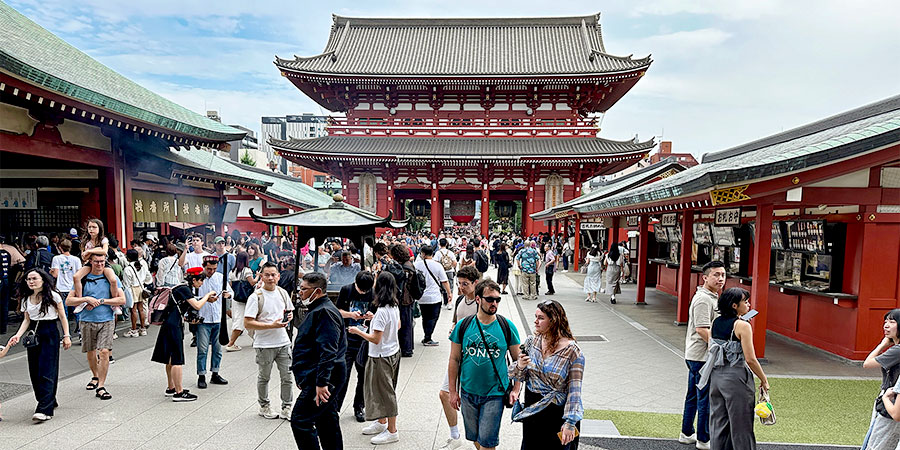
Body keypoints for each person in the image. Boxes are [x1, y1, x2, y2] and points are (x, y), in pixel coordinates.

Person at [448, 279, 522, 450]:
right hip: (468, 392)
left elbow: (519, 361)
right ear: (478, 299)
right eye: (489, 299)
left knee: (488, 443)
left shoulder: (507, 326)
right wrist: (453, 392)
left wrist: (516, 389)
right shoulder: (464, 326)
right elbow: (454, 359)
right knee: (476, 438)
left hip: (495, 393)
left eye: (497, 299)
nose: (494, 303)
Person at [696, 288, 769, 450]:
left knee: (719, 422)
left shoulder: (716, 322)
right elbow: (750, 359)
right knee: (741, 425)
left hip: (716, 376)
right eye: (746, 301)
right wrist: (764, 379)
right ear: (735, 305)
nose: (749, 304)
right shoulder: (743, 326)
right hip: (736, 377)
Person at [510, 299, 583, 449]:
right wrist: (520, 365)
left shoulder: (573, 351)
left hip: (556, 412)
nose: (535, 322)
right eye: (535, 317)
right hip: (532, 408)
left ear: (554, 321)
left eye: (541, 318)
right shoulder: (532, 341)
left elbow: (574, 391)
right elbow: (517, 375)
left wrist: (570, 422)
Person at [290, 272, 347, 450]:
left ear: (317, 291)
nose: (300, 292)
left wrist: (322, 382)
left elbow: (328, 351)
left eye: (304, 289)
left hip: (324, 377)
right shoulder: (318, 309)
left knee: (301, 420)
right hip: (317, 375)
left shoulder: (325, 312)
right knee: (326, 418)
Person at [6, 268, 72, 421]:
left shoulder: (53, 296)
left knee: (47, 369)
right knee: (34, 370)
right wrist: (17, 335)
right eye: (28, 279)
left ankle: (45, 408)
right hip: (34, 334)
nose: (31, 282)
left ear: (43, 279)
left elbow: (63, 317)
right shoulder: (25, 298)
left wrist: (67, 336)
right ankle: (48, 399)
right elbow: (27, 320)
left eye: (34, 278)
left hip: (49, 332)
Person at [348, 271, 402, 445]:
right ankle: (381, 422)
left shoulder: (381, 311)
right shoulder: (394, 306)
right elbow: (398, 326)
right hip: (393, 351)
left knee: (385, 392)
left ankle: (392, 430)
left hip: (380, 356)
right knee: (384, 389)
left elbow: (375, 339)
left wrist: (358, 331)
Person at [151, 267, 216, 402]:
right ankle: (179, 392)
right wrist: (207, 296)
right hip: (174, 326)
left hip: (169, 324)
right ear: (194, 280)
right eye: (200, 281)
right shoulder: (185, 289)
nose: (201, 284)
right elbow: (197, 305)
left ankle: (171, 387)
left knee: (169, 358)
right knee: (176, 359)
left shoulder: (181, 288)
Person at [680, 260, 725, 448]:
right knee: (704, 397)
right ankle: (704, 439)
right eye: (716, 275)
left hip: (697, 355)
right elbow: (701, 329)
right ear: (705, 277)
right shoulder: (703, 299)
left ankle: (687, 432)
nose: (721, 278)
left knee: (693, 395)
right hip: (701, 357)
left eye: (723, 275)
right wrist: (720, 349)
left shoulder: (712, 297)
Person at [67, 252, 125, 401]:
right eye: (96, 262)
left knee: (104, 352)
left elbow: (122, 299)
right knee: (91, 351)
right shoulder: (83, 278)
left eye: (102, 261)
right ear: (90, 262)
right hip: (86, 320)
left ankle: (101, 385)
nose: (99, 264)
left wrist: (102, 301)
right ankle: (95, 375)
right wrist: (86, 300)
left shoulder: (111, 278)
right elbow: (69, 301)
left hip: (106, 319)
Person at [438, 265, 482, 450]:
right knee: (445, 393)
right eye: (459, 283)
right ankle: (455, 434)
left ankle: (480, 442)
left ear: (475, 283)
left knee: (473, 404)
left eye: (465, 284)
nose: (461, 287)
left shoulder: (483, 303)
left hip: (475, 359)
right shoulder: (459, 300)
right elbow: (456, 322)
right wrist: (454, 329)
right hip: (458, 356)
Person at [244, 263, 295, 420]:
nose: (271, 278)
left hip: (283, 341)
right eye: (267, 275)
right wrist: (271, 325)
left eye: (274, 274)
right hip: (264, 344)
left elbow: (289, 311)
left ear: (278, 276)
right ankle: (264, 406)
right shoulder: (256, 297)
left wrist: (289, 317)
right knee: (264, 377)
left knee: (287, 377)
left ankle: (287, 407)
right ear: (262, 276)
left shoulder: (282, 293)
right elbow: (248, 323)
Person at [334, 271, 376, 423]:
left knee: (363, 376)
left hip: (365, 340)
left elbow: (378, 314)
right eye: (361, 290)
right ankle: (336, 407)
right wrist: (351, 315)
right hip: (346, 339)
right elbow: (338, 312)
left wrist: (372, 316)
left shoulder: (373, 291)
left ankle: (359, 407)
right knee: (342, 376)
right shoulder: (347, 290)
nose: (364, 293)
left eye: (366, 290)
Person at [861, 309, 900, 449]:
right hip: (888, 402)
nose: (886, 325)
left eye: (892, 321)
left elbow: (867, 363)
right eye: (885, 322)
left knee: (877, 445)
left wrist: (883, 344)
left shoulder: (897, 350)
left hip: (891, 403)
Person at [195, 255, 231, 389]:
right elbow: (192, 297)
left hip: (217, 317)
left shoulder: (220, 277)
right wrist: (205, 298)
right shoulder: (198, 278)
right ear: (204, 266)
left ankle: (215, 373)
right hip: (203, 318)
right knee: (202, 349)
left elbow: (229, 292)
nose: (212, 271)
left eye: (214, 269)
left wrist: (227, 295)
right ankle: (201, 375)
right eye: (209, 269)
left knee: (217, 349)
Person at [415, 245, 451, 347]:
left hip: (422, 297)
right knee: (433, 317)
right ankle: (428, 338)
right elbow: (444, 281)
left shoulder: (417, 265)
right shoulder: (437, 265)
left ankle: (426, 335)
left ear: (423, 254)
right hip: (434, 296)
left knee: (425, 317)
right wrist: (449, 293)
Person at [226, 251, 258, 352]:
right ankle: (231, 343)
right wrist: (257, 276)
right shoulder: (247, 270)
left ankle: (257, 339)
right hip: (246, 299)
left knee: (242, 319)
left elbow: (230, 286)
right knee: (243, 320)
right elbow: (252, 283)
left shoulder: (232, 272)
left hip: (236, 298)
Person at [50, 239, 81, 339]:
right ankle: (81, 332)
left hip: (61, 288)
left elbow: (55, 274)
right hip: (73, 288)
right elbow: (79, 274)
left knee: (63, 312)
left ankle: (66, 334)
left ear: (60, 247)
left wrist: (50, 272)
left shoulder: (56, 258)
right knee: (77, 310)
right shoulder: (76, 259)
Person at [122, 249, 152, 338]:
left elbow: (126, 283)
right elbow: (148, 277)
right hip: (141, 288)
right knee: (141, 309)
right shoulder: (142, 265)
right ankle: (143, 329)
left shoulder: (128, 268)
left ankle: (134, 330)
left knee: (133, 310)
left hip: (132, 289)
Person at [436, 238, 458, 310]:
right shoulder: (450, 252)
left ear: (439, 244)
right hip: (450, 271)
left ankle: (445, 302)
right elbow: (455, 262)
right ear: (446, 244)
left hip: (441, 272)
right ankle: (450, 303)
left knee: (443, 287)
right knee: (450, 287)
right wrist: (451, 267)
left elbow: (435, 262)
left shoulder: (438, 253)